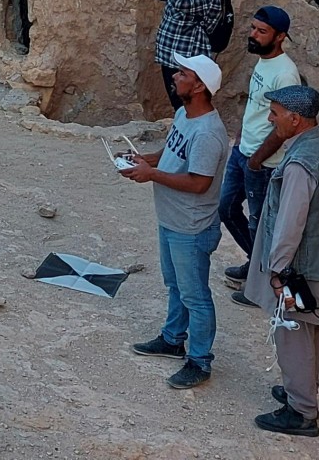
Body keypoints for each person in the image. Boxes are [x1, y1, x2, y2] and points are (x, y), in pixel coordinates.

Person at [243, 85, 319, 438]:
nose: (270, 119)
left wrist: (278, 272)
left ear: (294, 120)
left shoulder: (299, 163)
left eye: (275, 113)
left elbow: (290, 223)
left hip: (305, 267)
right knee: (313, 331)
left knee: (292, 331)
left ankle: (301, 410)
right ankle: (303, 388)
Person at [122, 53, 228, 390]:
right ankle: (172, 338)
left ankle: (199, 360)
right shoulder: (184, 114)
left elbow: (199, 182)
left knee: (194, 294)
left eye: (182, 73)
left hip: (191, 225)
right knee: (176, 285)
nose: (175, 77)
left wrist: (151, 173)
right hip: (173, 218)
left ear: (198, 86)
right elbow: (173, 152)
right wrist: (146, 160)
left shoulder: (209, 133)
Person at [219, 6, 302, 293]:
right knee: (226, 207)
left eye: (261, 31)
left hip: (263, 163)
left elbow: (284, 127)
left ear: (280, 37)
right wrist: (241, 140)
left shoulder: (286, 74)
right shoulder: (263, 62)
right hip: (243, 151)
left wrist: (256, 160)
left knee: (260, 224)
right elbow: (256, 106)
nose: (253, 35)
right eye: (253, 28)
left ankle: (262, 286)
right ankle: (255, 266)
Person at [145, 0, 227, 109]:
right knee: (178, 104)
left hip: (188, 60)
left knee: (187, 104)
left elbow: (180, 2)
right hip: (170, 57)